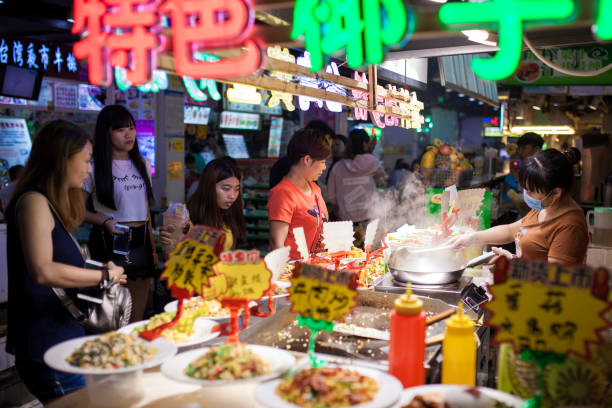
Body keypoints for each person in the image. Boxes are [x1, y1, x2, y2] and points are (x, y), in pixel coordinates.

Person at [5, 120, 125, 402]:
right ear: (61, 160)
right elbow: (43, 270)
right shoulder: (33, 201)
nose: (89, 169)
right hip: (46, 345)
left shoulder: (48, 203)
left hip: (63, 337)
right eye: (85, 161)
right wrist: (104, 277)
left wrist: (103, 272)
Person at [82, 105, 156, 323]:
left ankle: (135, 353)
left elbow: (146, 212)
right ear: (106, 132)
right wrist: (103, 220)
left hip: (140, 239)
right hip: (109, 239)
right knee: (108, 311)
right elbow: (77, 212)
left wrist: (152, 251)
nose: (129, 134)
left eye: (132, 128)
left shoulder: (143, 164)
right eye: (120, 129)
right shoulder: (93, 168)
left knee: (137, 312)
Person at [450, 148, 587, 264]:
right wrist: (471, 238)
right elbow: (511, 230)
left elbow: (553, 279)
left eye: (531, 190)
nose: (526, 194)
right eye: (525, 188)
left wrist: (512, 263)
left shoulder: (571, 226)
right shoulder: (546, 207)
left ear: (556, 193)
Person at [159, 157, 246, 253]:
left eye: (237, 189)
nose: (232, 196)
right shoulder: (183, 215)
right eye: (226, 188)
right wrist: (169, 242)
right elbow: (170, 256)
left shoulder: (230, 212)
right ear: (209, 187)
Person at [268, 129, 331, 259]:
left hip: (316, 269)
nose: (324, 168)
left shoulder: (315, 189)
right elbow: (277, 244)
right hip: (295, 273)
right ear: (307, 160)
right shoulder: (283, 193)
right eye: (323, 162)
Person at [327, 129, 386, 224]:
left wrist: (339, 214)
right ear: (364, 144)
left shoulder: (337, 167)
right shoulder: (372, 162)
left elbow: (331, 197)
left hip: (345, 221)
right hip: (369, 219)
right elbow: (383, 179)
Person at [269, 120, 334, 189]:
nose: (330, 142)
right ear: (307, 160)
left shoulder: (313, 187)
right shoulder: (283, 170)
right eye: (322, 162)